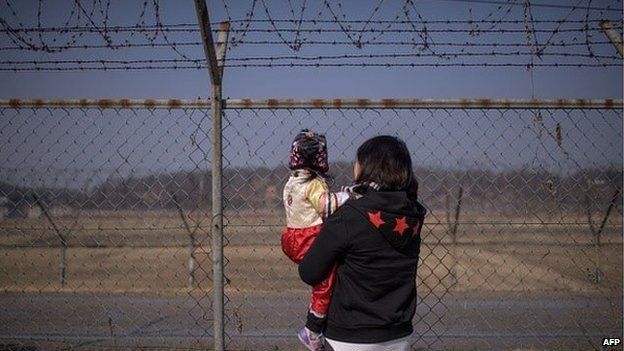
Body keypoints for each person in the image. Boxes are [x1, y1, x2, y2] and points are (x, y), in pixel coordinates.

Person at [299, 135, 427, 351]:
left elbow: (309, 272)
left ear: (366, 167)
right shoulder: (412, 214)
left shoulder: (350, 215)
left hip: (350, 335)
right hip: (399, 333)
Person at [281, 129, 351, 351]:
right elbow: (326, 206)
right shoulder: (313, 184)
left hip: (291, 237)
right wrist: (348, 196)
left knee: (324, 275)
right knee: (325, 282)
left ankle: (321, 322)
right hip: (308, 237)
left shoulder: (291, 181)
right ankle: (312, 329)